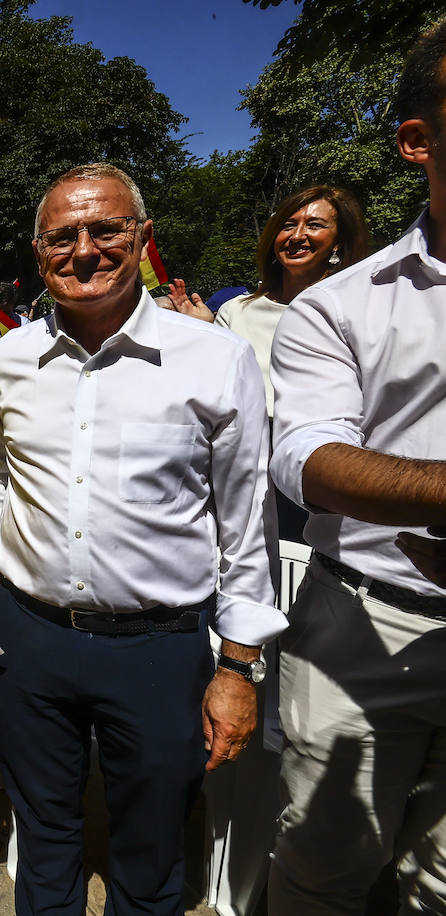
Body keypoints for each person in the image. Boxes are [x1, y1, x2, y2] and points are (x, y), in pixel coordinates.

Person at [0, 162, 284, 916]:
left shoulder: (216, 358)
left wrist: (239, 667)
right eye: (62, 236)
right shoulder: (9, 359)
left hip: (159, 648)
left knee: (149, 858)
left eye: (105, 230)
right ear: (38, 250)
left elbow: (247, 525)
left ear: (142, 239)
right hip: (29, 639)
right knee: (43, 842)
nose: (84, 250)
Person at [265, 21, 446, 913]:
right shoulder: (342, 307)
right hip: (371, 624)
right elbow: (302, 458)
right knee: (325, 869)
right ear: (420, 140)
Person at [217, 186, 370, 418]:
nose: (297, 236)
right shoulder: (236, 311)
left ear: (339, 241)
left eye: (315, 225)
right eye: (287, 226)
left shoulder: (362, 311)